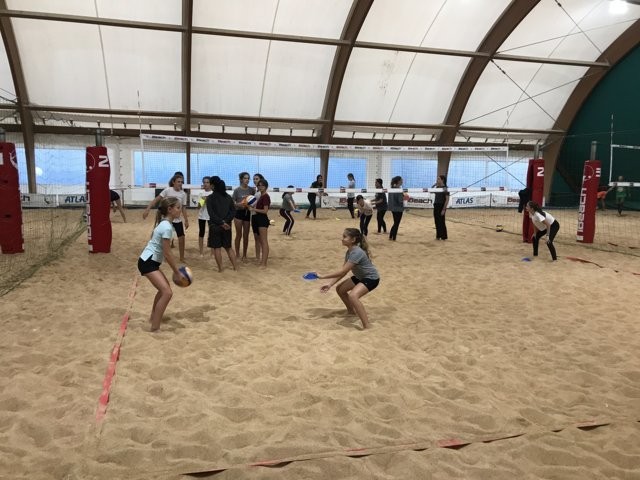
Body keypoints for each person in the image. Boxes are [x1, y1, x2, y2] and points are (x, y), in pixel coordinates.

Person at [316, 228, 380, 330]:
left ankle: (367, 325)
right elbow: (344, 271)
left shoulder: (357, 252)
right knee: (340, 289)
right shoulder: (349, 251)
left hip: (371, 278)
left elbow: (342, 272)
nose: (342, 239)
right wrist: (330, 284)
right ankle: (351, 312)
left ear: (353, 240)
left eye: (345, 237)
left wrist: (322, 276)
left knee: (353, 296)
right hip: (360, 277)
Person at [137, 197, 182, 332]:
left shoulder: (164, 224)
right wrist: (177, 272)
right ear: (170, 209)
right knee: (167, 293)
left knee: (164, 290)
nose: (180, 210)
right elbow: (167, 254)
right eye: (178, 208)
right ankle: (155, 327)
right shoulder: (166, 226)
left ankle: (153, 318)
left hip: (150, 260)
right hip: (148, 262)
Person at [143, 174, 189, 262]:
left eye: (181, 182)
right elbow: (157, 199)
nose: (180, 183)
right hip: (167, 218)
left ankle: (182, 257)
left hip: (177, 219)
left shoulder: (183, 194)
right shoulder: (168, 190)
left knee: (181, 237)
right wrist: (148, 209)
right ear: (173, 182)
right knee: (163, 237)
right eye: (178, 181)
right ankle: (161, 255)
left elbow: (183, 208)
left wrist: (186, 220)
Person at [206, 177, 238, 272]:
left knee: (217, 248)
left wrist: (221, 222)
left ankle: (220, 269)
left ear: (213, 186)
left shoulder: (210, 198)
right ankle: (235, 268)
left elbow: (211, 214)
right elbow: (233, 211)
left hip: (215, 225)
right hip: (227, 226)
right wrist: (226, 221)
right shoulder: (228, 197)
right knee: (228, 248)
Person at [232, 172, 255, 261]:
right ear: (241, 179)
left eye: (248, 178)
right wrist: (239, 204)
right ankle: (237, 254)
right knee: (239, 234)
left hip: (247, 213)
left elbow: (254, 201)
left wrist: (250, 205)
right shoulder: (237, 190)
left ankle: (244, 255)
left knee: (246, 235)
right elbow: (232, 203)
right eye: (245, 178)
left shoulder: (251, 190)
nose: (247, 180)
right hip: (238, 213)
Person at [249, 179, 271, 267]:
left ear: (266, 186)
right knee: (260, 241)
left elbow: (265, 211)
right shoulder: (261, 196)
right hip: (257, 219)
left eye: (262, 185)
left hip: (262, 219)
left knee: (264, 242)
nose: (260, 187)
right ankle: (262, 261)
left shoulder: (265, 196)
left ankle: (264, 263)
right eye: (259, 185)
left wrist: (254, 209)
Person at [196, 176, 213, 257]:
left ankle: (212, 252)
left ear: (210, 184)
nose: (206, 184)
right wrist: (203, 200)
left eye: (207, 182)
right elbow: (198, 207)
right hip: (202, 216)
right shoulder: (201, 194)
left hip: (211, 216)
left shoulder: (213, 194)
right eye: (204, 182)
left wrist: (209, 200)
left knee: (212, 233)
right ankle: (201, 252)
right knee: (201, 233)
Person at [252, 173, 266, 261]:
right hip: (253, 216)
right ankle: (258, 257)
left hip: (260, 217)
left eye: (256, 179)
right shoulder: (256, 192)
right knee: (256, 238)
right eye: (254, 179)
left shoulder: (262, 193)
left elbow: (264, 209)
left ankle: (262, 256)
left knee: (261, 239)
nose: (255, 180)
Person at [432, 174, 450, 240]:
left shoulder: (445, 188)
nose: (437, 180)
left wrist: (443, 209)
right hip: (436, 205)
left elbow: (447, 199)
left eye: (438, 179)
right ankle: (438, 236)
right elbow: (431, 191)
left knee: (441, 221)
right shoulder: (437, 187)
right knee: (436, 221)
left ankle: (443, 236)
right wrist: (434, 184)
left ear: (442, 180)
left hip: (441, 206)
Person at [387, 176, 404, 241]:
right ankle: (394, 237)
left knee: (395, 223)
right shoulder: (399, 189)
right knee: (396, 223)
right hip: (398, 209)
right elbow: (400, 200)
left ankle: (391, 236)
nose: (402, 181)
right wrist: (405, 198)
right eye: (401, 180)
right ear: (398, 181)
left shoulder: (392, 188)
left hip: (393, 208)